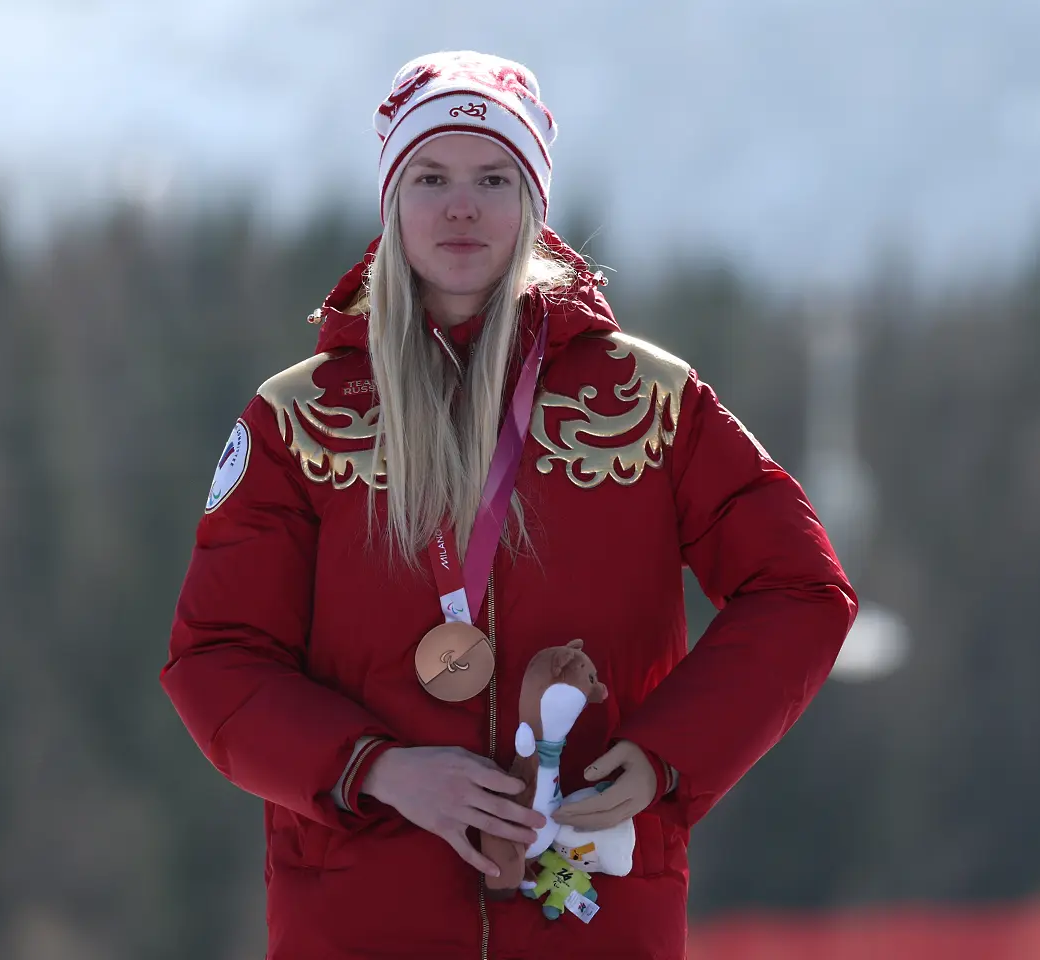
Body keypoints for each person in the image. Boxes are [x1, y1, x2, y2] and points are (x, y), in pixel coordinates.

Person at [160, 50, 856, 960]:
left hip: (589, 910)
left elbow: (800, 589)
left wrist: (663, 759)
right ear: (391, 203)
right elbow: (214, 661)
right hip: (361, 917)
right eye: (430, 177)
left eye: (492, 177)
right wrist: (379, 770)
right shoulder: (298, 417)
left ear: (531, 204)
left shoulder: (646, 400)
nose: (460, 205)